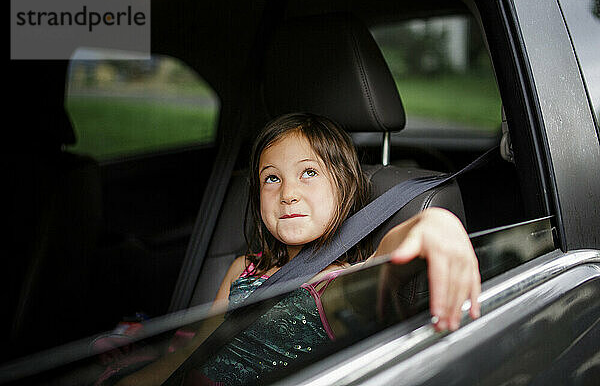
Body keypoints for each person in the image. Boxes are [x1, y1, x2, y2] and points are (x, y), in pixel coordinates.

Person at [117, 112, 480, 386]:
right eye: (272, 178)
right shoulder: (244, 269)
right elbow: (195, 352)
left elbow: (386, 253)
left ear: (346, 187)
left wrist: (434, 222)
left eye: (309, 172)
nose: (287, 192)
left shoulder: (337, 286)